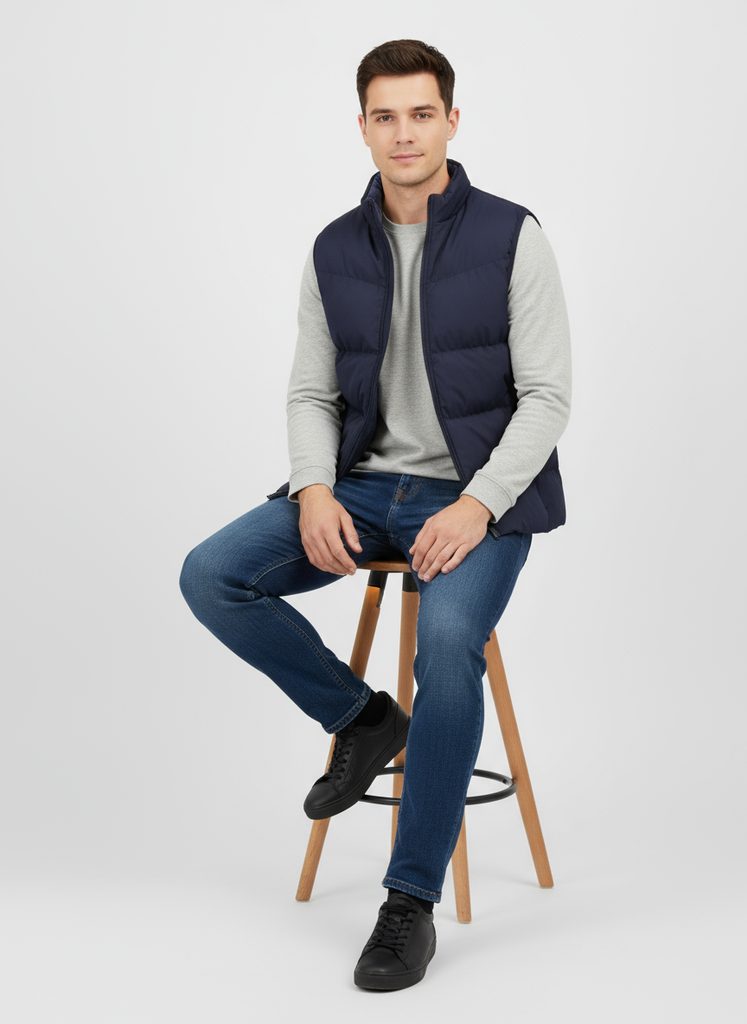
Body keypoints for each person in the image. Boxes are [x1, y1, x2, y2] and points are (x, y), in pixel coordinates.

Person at [179, 37, 571, 991]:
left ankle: (408, 903)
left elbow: (547, 397)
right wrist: (312, 486)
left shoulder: (511, 234)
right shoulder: (333, 247)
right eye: (385, 116)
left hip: (476, 498)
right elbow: (311, 390)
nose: (404, 133)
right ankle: (363, 717)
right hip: (359, 487)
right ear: (361, 127)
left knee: (447, 645)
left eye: (421, 114)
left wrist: (476, 506)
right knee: (212, 575)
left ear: (451, 121)